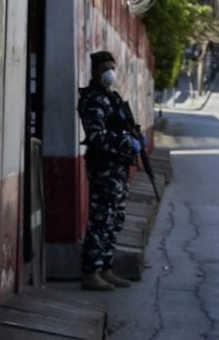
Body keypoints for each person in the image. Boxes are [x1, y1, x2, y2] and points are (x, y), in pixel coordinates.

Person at [77, 50, 142, 291]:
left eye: (112, 68)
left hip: (117, 168)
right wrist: (127, 141)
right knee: (101, 219)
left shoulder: (111, 97)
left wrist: (136, 137)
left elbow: (122, 125)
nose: (109, 73)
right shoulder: (93, 99)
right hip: (104, 167)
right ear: (95, 71)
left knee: (115, 219)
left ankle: (105, 267)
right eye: (105, 69)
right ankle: (91, 272)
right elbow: (96, 136)